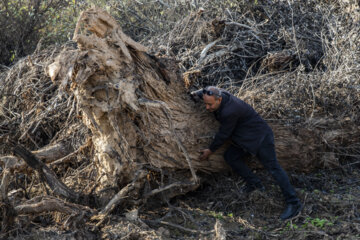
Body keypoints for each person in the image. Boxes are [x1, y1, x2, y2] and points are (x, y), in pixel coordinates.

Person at [192, 86, 302, 220]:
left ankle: (293, 203)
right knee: (230, 157)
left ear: (219, 100)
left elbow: (224, 134)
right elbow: (207, 88)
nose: (207, 108)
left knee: (273, 168)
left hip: (260, 138)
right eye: (205, 103)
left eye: (210, 104)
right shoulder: (219, 94)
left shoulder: (230, 111)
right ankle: (255, 184)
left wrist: (210, 150)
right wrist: (196, 94)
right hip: (244, 139)